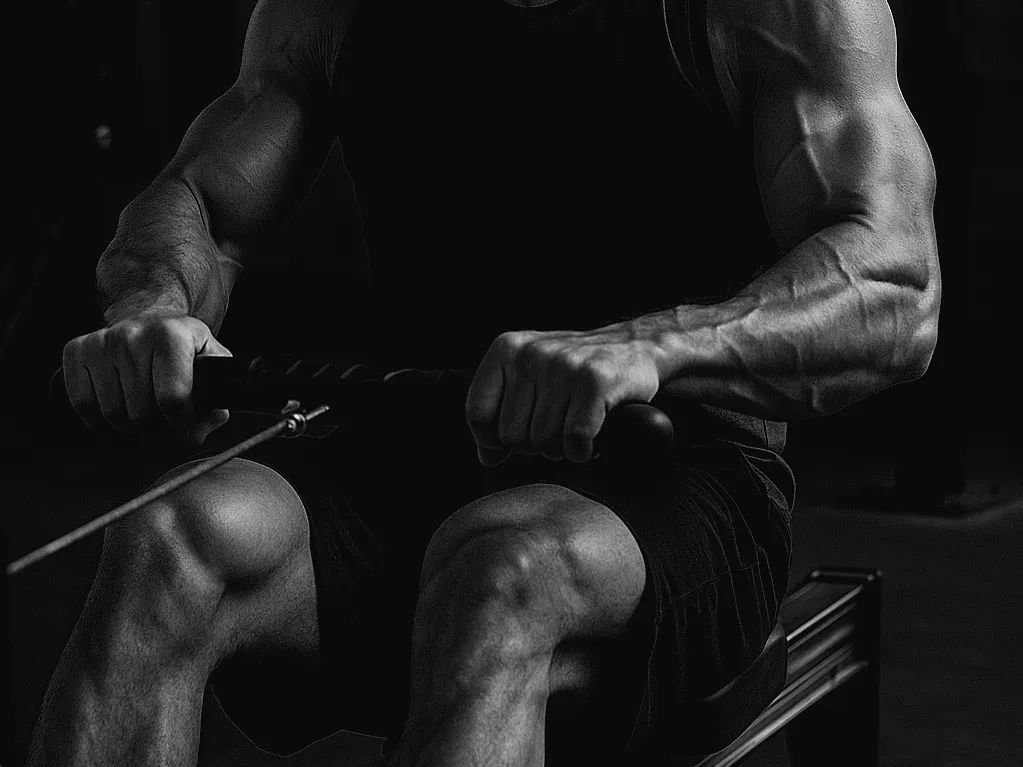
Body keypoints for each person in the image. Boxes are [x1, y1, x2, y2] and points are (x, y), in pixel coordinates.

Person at [29, 0, 940, 764]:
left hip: (679, 472)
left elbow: (894, 285)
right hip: (408, 445)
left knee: (497, 567)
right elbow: (202, 202)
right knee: (169, 540)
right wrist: (153, 307)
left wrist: (649, 349)